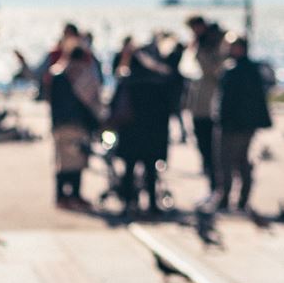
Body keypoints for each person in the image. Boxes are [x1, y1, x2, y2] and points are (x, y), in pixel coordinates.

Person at [110, 37, 175, 215]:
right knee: (150, 169)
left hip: (130, 131)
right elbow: (169, 105)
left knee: (129, 167)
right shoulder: (158, 81)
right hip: (152, 132)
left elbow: (115, 105)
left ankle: (128, 202)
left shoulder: (127, 81)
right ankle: (152, 203)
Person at [211, 33, 272, 212]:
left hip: (234, 124)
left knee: (227, 161)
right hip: (245, 124)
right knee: (241, 160)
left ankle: (227, 197)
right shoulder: (252, 69)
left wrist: (222, 119)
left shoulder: (234, 70)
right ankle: (241, 198)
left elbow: (228, 100)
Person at [49, 46, 102, 210]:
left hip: (69, 125)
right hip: (67, 125)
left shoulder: (61, 74)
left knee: (77, 162)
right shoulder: (63, 76)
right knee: (66, 163)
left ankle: (73, 195)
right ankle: (62, 196)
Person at [181, 16, 228, 192]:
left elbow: (213, 70)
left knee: (212, 149)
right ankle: (214, 186)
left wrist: (198, 50)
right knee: (204, 146)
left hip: (210, 105)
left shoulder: (214, 43)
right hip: (200, 104)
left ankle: (217, 187)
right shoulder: (202, 42)